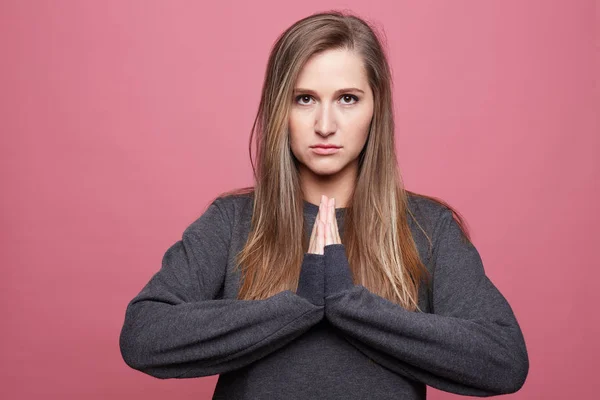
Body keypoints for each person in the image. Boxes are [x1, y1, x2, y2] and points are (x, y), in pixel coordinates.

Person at [119, 10, 529, 399]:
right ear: (280, 109)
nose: (325, 125)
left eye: (348, 99)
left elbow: (503, 359)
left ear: (376, 109)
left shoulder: (427, 227)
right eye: (305, 99)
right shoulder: (232, 222)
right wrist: (298, 306)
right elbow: (143, 335)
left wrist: (350, 305)